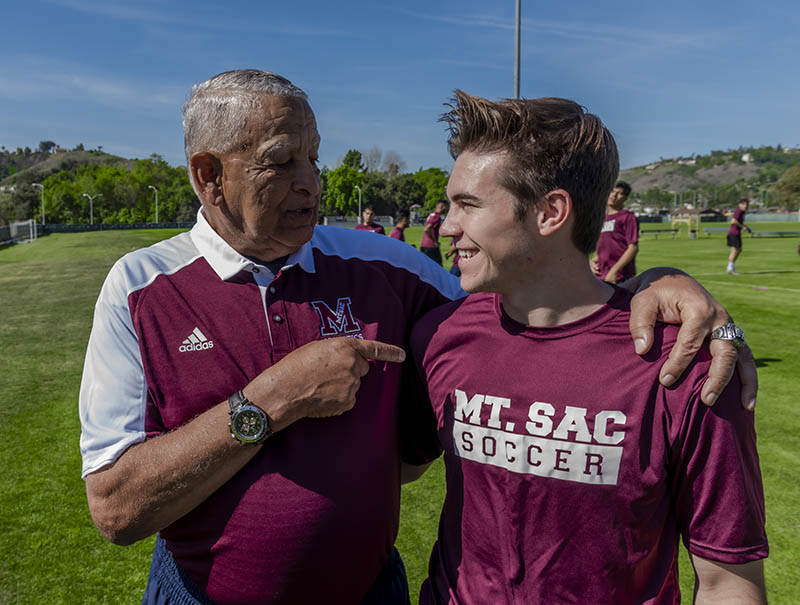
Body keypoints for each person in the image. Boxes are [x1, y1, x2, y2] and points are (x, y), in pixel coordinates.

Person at [78, 70, 754, 605]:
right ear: (207, 174)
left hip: (373, 593)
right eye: (281, 163)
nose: (311, 183)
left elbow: (546, 296)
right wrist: (269, 401)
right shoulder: (139, 288)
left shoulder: (390, 272)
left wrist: (663, 285)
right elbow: (115, 509)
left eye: (314, 158)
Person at [410, 91, 767, 604]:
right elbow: (399, 468)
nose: (447, 226)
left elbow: (726, 581)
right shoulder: (438, 334)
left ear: (551, 212)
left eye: (468, 205)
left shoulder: (689, 365)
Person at [592, 180, 639, 283]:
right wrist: (592, 261)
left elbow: (633, 248)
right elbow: (607, 248)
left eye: (619, 193)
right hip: (602, 275)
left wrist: (614, 270)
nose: (614, 195)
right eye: (612, 191)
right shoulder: (602, 218)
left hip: (620, 277)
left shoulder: (628, 217)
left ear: (625, 198)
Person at [727, 198, 753, 275]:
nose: (746, 206)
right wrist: (743, 227)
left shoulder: (742, 212)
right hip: (734, 233)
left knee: (736, 250)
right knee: (736, 250)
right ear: (740, 205)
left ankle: (730, 267)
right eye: (744, 204)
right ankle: (730, 268)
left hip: (734, 233)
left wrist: (745, 227)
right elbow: (733, 221)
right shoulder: (739, 211)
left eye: (747, 205)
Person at [420, 199, 448, 264]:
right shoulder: (437, 216)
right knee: (438, 267)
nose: (446, 209)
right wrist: (434, 241)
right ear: (442, 206)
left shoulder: (431, 215)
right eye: (446, 207)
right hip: (431, 246)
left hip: (423, 245)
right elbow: (427, 229)